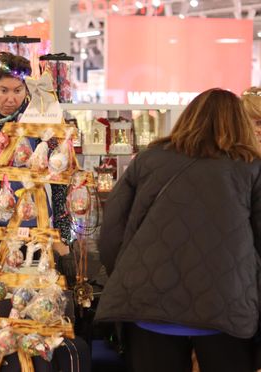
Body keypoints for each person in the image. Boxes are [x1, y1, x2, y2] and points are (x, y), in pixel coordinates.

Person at [95, 88, 261, 372]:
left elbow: (111, 234)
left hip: (148, 303)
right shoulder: (251, 169)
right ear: (240, 123)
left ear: (188, 118)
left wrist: (127, 273)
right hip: (226, 311)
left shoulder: (148, 160)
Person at [0, 51, 71, 254]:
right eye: (4, 90)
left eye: (18, 90)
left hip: (27, 222)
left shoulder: (38, 117)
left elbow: (59, 174)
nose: (11, 99)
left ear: (26, 89)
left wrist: (62, 228)